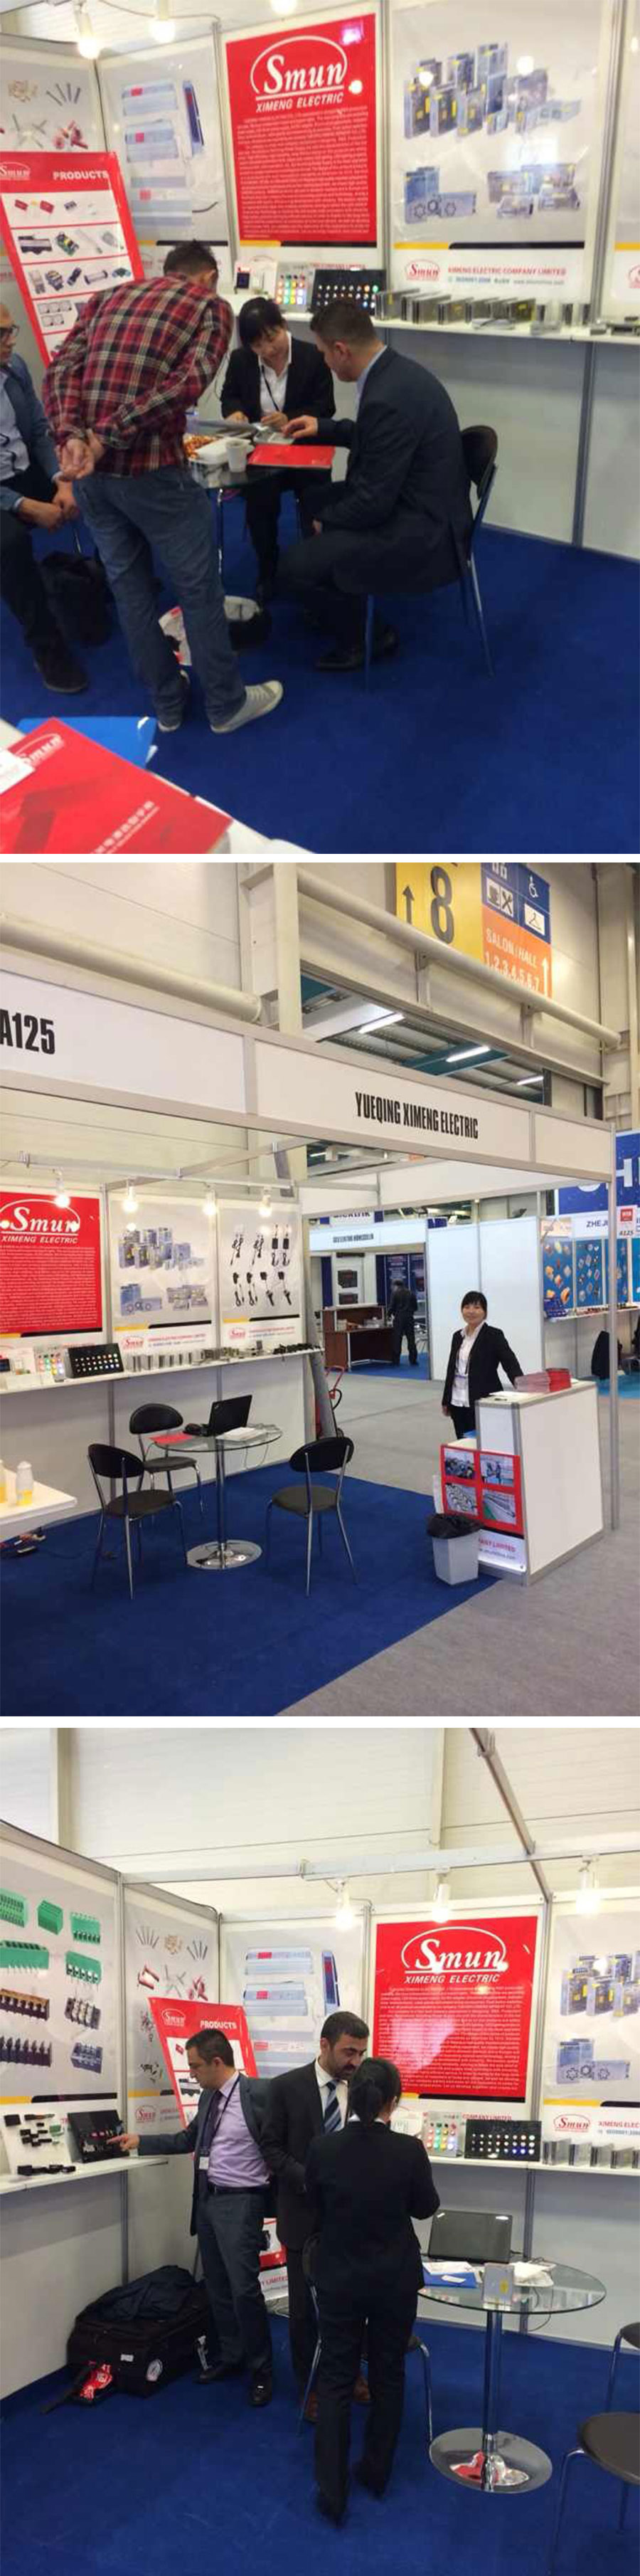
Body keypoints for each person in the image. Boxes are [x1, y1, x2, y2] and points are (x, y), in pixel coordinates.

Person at [43, 250, 282, 736]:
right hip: (152, 472)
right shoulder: (210, 307)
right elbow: (185, 386)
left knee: (129, 591)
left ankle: (168, 704)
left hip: (91, 477)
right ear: (209, 277)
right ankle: (225, 705)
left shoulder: (107, 296)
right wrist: (107, 434)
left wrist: (71, 436)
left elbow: (61, 369)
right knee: (199, 590)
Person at [280, 298, 471, 672]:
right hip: (420, 499)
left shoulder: (386, 397)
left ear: (341, 350)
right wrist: (324, 427)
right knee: (314, 499)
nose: (324, 362)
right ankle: (337, 596)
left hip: (425, 528)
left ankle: (369, 638)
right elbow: (378, 439)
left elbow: (372, 503)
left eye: (324, 354)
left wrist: (329, 523)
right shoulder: (395, 372)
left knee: (292, 567)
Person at [304, 2057, 439, 2524]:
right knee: (388, 2373)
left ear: (352, 2095)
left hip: (338, 2277)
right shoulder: (409, 2150)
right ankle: (376, 2472)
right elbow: (425, 2208)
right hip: (393, 2280)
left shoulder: (323, 2148)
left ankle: (332, 2489)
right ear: (392, 2102)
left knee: (336, 2376)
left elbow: (316, 2208)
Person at [119, 2026, 274, 2406]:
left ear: (217, 2062)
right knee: (216, 2286)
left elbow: (282, 2144)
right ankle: (232, 2356)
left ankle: (262, 2369)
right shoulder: (208, 2097)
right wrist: (141, 2141)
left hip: (242, 2204)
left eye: (195, 2066)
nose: (191, 2074)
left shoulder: (260, 2095)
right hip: (207, 2201)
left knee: (244, 2290)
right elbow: (188, 2140)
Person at [261, 2010, 369, 2419]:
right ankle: (311, 2386)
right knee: (305, 2312)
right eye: (348, 2052)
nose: (356, 2061)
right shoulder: (285, 2087)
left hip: (350, 2218)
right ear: (324, 2045)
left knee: (351, 2305)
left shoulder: (363, 2087)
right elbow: (271, 2148)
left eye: (361, 2053)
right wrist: (310, 2180)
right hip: (302, 2215)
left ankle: (349, 2374)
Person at [220, 297, 335, 601]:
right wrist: (235, 413)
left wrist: (290, 418)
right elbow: (229, 397)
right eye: (258, 345)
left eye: (272, 338)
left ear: (283, 325)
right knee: (259, 500)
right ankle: (267, 569)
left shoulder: (313, 356)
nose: (268, 350)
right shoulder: (241, 360)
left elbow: (326, 408)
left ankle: (317, 572)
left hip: (305, 450)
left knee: (316, 501)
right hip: (263, 453)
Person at [0, 303, 87, 693]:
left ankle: (104, 582)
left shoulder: (14, 367)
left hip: (23, 469)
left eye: (11, 330)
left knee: (92, 484)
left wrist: (62, 480)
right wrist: (25, 507)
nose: (10, 341)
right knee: (11, 544)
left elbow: (38, 430)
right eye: (0, 334)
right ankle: (47, 646)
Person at [442, 1289, 522, 1439]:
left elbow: (510, 1363)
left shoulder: (494, 1335)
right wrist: (446, 1400)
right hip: (457, 1401)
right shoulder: (457, 1336)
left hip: (483, 1400)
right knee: (463, 1443)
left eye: (477, 1307)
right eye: (467, 1307)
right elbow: (451, 1369)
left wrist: (523, 1386)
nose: (471, 1311)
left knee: (486, 1441)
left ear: (485, 1312)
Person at [390, 1279, 418, 1367]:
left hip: (399, 1319)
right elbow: (415, 1307)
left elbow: (392, 1307)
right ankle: (413, 1359)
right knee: (411, 1339)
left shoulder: (395, 1294)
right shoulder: (411, 1293)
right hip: (409, 1318)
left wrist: (389, 1315)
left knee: (397, 1340)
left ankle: (396, 1360)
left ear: (396, 1286)